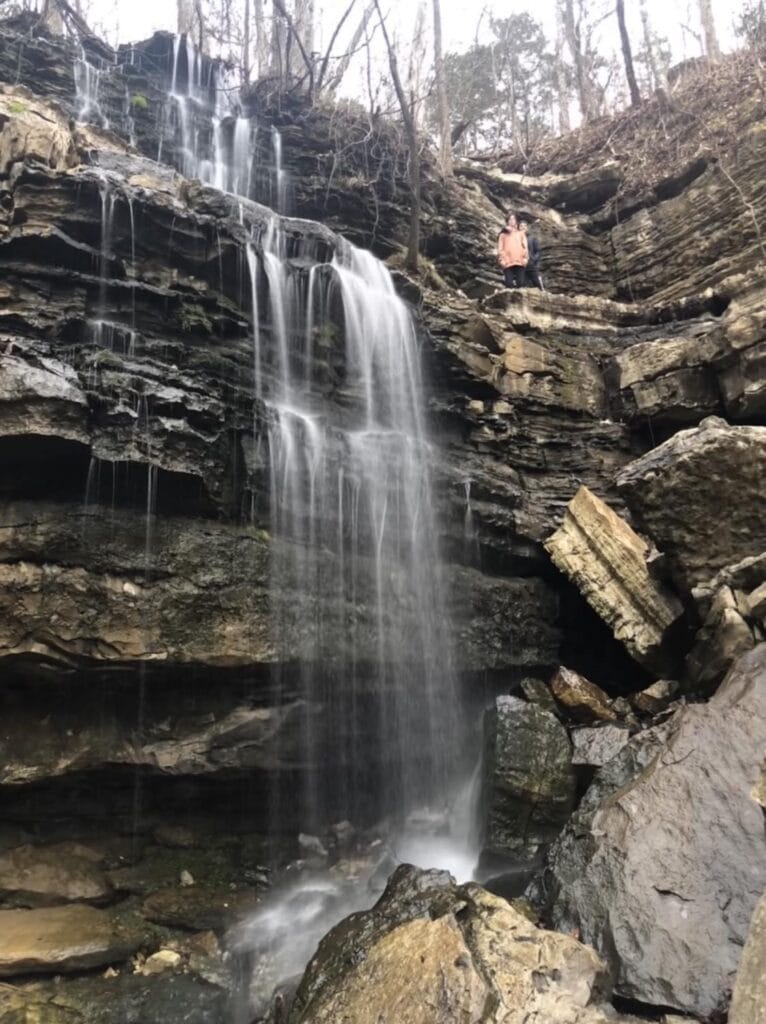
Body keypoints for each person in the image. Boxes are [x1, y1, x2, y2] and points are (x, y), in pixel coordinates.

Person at [496, 213, 528, 288]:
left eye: (513, 219)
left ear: (516, 221)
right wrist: (501, 260)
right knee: (509, 284)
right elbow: (500, 249)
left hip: (519, 261)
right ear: (507, 221)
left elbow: (525, 247)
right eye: (510, 219)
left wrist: (525, 258)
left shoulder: (521, 234)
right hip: (507, 262)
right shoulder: (502, 235)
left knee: (520, 283)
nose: (512, 221)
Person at [519, 219, 543, 290]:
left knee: (537, 284)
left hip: (530, 265)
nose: (523, 227)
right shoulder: (516, 239)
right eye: (521, 226)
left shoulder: (532, 238)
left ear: (527, 228)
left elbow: (538, 251)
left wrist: (533, 260)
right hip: (520, 266)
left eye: (525, 226)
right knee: (521, 286)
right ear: (518, 228)